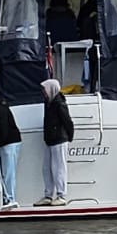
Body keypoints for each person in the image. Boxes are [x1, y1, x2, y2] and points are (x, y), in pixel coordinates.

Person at [37, 78, 75, 206]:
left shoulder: (59, 103)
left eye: (45, 90)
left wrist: (69, 136)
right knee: (46, 168)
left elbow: (67, 121)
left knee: (59, 167)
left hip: (59, 138)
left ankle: (61, 195)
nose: (43, 92)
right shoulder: (48, 102)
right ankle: (48, 195)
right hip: (50, 139)